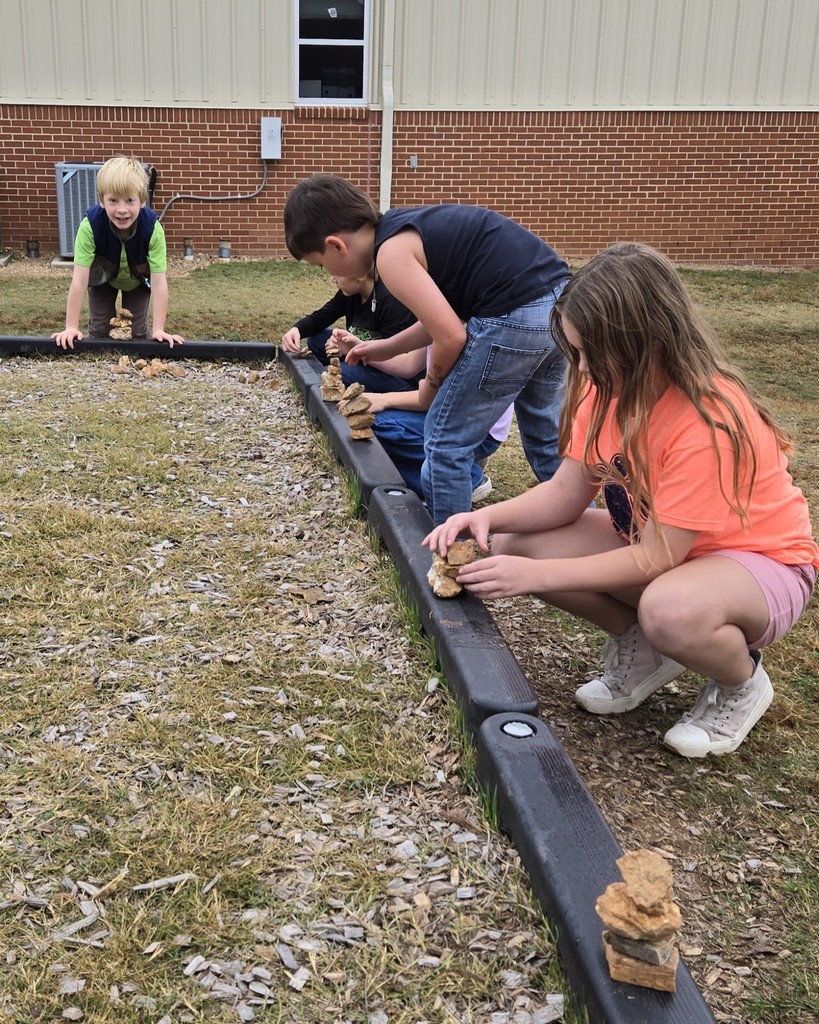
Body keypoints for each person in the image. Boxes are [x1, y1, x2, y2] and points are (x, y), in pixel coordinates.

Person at [424, 242, 818, 758]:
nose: (581, 369)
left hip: (758, 564)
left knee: (669, 609)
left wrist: (533, 579)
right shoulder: (606, 389)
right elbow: (566, 494)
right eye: (576, 351)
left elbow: (658, 559)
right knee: (517, 542)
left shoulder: (707, 420)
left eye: (592, 351)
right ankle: (647, 653)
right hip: (663, 546)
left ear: (649, 342)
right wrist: (481, 517)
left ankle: (740, 683)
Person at [283, 173, 571, 524]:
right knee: (544, 438)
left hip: (513, 317)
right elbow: (442, 319)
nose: (325, 271)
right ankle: (585, 538)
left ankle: (449, 558)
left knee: (445, 442)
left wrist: (431, 389)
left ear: (336, 245)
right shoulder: (406, 228)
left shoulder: (390, 254)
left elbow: (451, 337)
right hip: (559, 308)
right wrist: (385, 347)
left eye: (320, 264)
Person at [336, 340, 511, 502]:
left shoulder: (458, 331)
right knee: (370, 420)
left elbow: (439, 397)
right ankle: (457, 461)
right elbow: (409, 363)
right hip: (448, 410)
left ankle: (466, 479)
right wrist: (362, 350)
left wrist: (384, 399)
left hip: (474, 425)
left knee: (378, 423)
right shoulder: (440, 318)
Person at [52, 156, 184, 350]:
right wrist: (70, 327)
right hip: (102, 279)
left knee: (138, 332)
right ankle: (100, 364)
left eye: (130, 200)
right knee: (99, 329)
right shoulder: (90, 226)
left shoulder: (153, 229)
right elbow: (79, 280)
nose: (122, 210)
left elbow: (159, 282)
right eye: (113, 200)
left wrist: (159, 329)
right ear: (101, 200)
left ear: (142, 200)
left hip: (138, 279)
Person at [280, 269, 418, 393]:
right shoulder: (350, 292)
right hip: (362, 353)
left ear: (361, 274)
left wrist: (354, 348)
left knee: (341, 374)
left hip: (396, 374)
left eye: (337, 272)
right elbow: (323, 316)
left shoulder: (391, 301)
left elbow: (394, 357)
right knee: (316, 340)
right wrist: (297, 329)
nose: (332, 279)